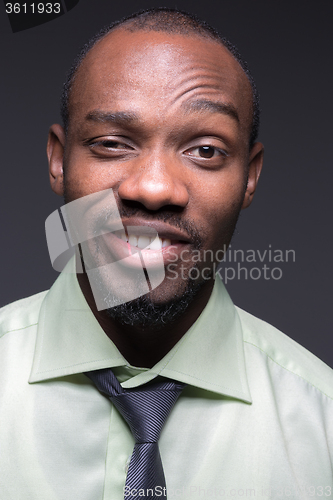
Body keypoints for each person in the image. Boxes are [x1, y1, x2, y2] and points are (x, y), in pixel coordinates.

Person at [1, 8, 332, 500]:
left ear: (250, 176)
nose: (154, 189)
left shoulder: (323, 423)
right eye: (113, 144)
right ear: (58, 159)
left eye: (205, 150)